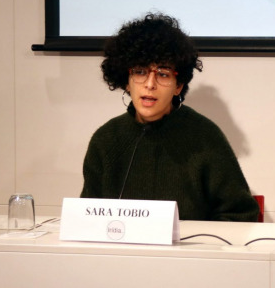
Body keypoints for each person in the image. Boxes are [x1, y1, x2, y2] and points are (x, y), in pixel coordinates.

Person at [80, 12, 260, 222]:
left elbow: (241, 214)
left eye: (163, 74)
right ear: (126, 81)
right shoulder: (107, 139)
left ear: (179, 86)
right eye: (140, 72)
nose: (150, 84)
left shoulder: (205, 136)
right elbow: (87, 218)